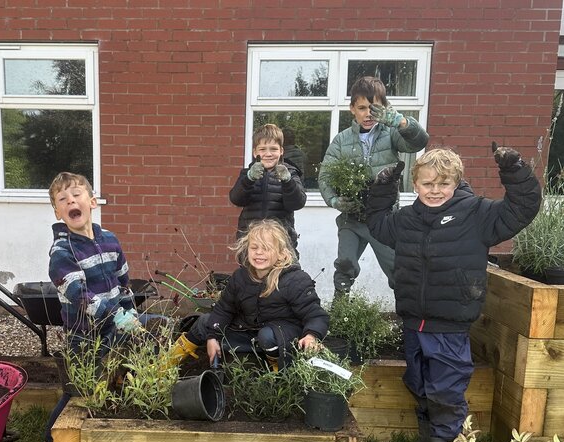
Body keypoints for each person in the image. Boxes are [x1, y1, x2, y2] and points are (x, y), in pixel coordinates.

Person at [365, 144, 542, 442]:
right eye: (427, 184)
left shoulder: (478, 214)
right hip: (414, 321)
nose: (435, 191)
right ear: (415, 184)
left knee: (445, 390)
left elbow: (523, 207)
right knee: (418, 382)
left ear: (457, 182)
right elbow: (377, 223)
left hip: (449, 324)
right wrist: (384, 186)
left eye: (443, 184)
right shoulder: (407, 218)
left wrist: (514, 169)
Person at [33, 171, 141, 442]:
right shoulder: (62, 251)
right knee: (77, 390)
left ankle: (104, 439)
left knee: (119, 376)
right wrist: (114, 315)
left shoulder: (110, 240)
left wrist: (129, 311)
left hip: (116, 325)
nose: (71, 201)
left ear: (92, 201)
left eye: (76, 195)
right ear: (57, 212)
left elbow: (124, 283)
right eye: (62, 200)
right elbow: (79, 295)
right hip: (85, 334)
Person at [318, 76, 429, 297]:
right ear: (352, 109)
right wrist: (334, 200)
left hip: (384, 219)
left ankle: (410, 316)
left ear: (384, 108)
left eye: (374, 108)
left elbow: (419, 142)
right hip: (352, 218)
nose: (368, 114)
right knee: (345, 265)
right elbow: (325, 175)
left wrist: (400, 121)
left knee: (398, 270)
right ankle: (340, 316)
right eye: (362, 108)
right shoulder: (342, 140)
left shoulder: (391, 135)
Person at [168, 219, 329, 371]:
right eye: (254, 247)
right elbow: (224, 309)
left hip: (282, 340)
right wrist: (212, 337)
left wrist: (311, 336)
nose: (259, 253)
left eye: (266, 248)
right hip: (248, 336)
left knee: (266, 335)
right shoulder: (240, 277)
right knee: (205, 322)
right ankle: (165, 366)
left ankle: (279, 373)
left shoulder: (295, 280)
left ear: (281, 254)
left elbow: (316, 315)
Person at [229, 123, 307, 252]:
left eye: (273, 149)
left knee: (284, 272)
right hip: (250, 239)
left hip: (280, 241)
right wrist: (249, 178)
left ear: (281, 151)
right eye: (263, 149)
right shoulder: (247, 173)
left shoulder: (291, 173)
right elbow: (236, 199)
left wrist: (287, 181)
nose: (268, 154)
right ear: (255, 152)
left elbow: (297, 203)